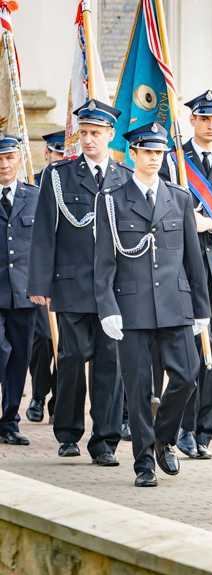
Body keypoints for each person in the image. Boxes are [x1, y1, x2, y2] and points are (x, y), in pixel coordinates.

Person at [93, 122, 210, 487]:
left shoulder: (179, 197)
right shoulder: (111, 201)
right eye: (147, 152)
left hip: (175, 305)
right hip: (132, 307)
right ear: (134, 154)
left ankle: (163, 437)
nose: (154, 158)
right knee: (139, 388)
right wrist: (107, 306)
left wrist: (202, 309)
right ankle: (144, 461)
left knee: (188, 376)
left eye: (159, 153)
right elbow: (104, 262)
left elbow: (194, 258)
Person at [27, 99, 131, 464]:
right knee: (71, 358)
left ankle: (104, 442)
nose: (88, 140)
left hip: (115, 292)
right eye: (84, 133)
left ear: (110, 135)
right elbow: (43, 233)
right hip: (71, 284)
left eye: (96, 134)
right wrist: (39, 282)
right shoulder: (58, 176)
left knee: (109, 364)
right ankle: (68, 432)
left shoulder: (126, 177)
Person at [161, 90, 212, 457]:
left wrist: (211, 223)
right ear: (192, 120)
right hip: (182, 270)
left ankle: (205, 429)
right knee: (187, 353)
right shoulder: (173, 161)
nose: (211, 125)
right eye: (204, 118)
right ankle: (183, 427)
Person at [0, 133, 40, 445]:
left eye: (9, 158)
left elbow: (46, 245)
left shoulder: (35, 197)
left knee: (19, 359)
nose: (4, 164)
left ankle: (10, 421)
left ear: (19, 159)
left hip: (24, 294)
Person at [26, 130, 66, 424]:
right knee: (42, 337)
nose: (60, 158)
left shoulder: (73, 183)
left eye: (66, 153)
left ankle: (58, 399)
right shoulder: (33, 183)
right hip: (42, 272)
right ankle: (39, 394)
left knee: (67, 343)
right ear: (47, 154)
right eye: (57, 153)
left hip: (67, 274)